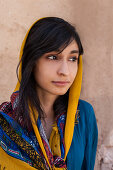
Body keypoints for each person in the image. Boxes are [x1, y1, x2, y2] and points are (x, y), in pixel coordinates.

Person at [0, 17, 98, 170]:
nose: (65, 71)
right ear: (31, 61)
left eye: (73, 58)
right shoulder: (4, 124)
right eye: (53, 57)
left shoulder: (84, 115)